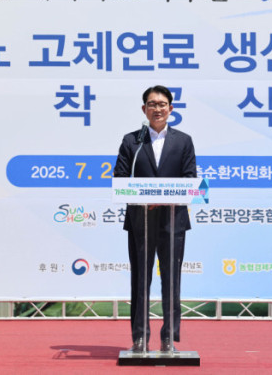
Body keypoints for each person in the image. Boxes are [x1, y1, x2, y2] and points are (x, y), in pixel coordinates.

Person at [114, 85, 197, 353]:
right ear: (144, 109)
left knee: (171, 281)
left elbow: (190, 179)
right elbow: (120, 178)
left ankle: (169, 337)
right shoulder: (132, 141)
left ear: (170, 109)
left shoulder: (183, 141)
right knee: (140, 279)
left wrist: (163, 197)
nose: (157, 109)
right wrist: (144, 197)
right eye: (152, 104)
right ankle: (139, 337)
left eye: (162, 104)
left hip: (173, 220)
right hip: (141, 221)